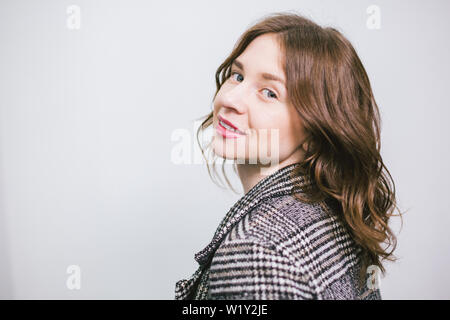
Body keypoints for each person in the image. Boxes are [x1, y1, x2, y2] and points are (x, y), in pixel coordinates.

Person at [175, 11, 402, 300]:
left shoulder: (256, 253)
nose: (229, 100)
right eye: (237, 75)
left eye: (269, 92)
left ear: (316, 129)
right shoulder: (331, 212)